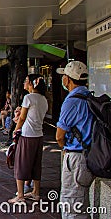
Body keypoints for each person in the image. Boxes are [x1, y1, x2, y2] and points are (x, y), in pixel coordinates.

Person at [55, 61, 94, 218]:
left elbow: (59, 135)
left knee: (72, 203)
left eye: (64, 76)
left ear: (68, 79)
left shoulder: (71, 101)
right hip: (89, 155)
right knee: (82, 202)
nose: (63, 79)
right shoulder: (89, 96)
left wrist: (64, 147)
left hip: (76, 157)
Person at [8, 74, 48, 204]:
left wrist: (15, 129)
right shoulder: (43, 99)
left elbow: (23, 117)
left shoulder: (28, 98)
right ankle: (36, 192)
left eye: (26, 81)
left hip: (27, 135)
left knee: (21, 164)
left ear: (31, 83)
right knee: (36, 164)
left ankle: (20, 195)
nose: (24, 83)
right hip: (39, 135)